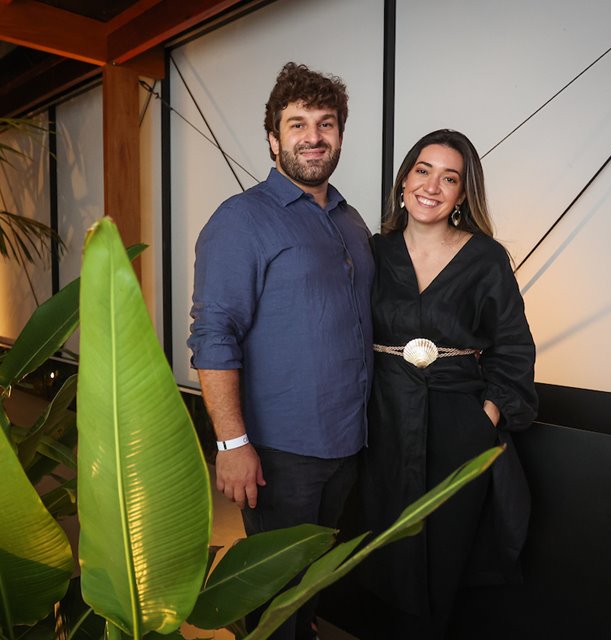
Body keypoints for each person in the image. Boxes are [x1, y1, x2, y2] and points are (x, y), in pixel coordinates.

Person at [187, 62, 374, 640]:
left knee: (313, 582)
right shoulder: (241, 220)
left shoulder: (351, 220)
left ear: (340, 135)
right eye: (298, 124)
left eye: (326, 123)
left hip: (349, 443)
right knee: (272, 593)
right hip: (278, 449)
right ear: (273, 139)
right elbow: (213, 334)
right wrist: (231, 442)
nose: (313, 136)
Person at [358, 129, 537, 638]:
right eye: (423, 170)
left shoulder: (486, 258)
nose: (432, 186)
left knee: (445, 556)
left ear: (462, 194)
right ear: (404, 181)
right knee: (379, 551)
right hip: (380, 422)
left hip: (458, 425)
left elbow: (514, 347)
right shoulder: (372, 251)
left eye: (449, 177)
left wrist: (488, 416)